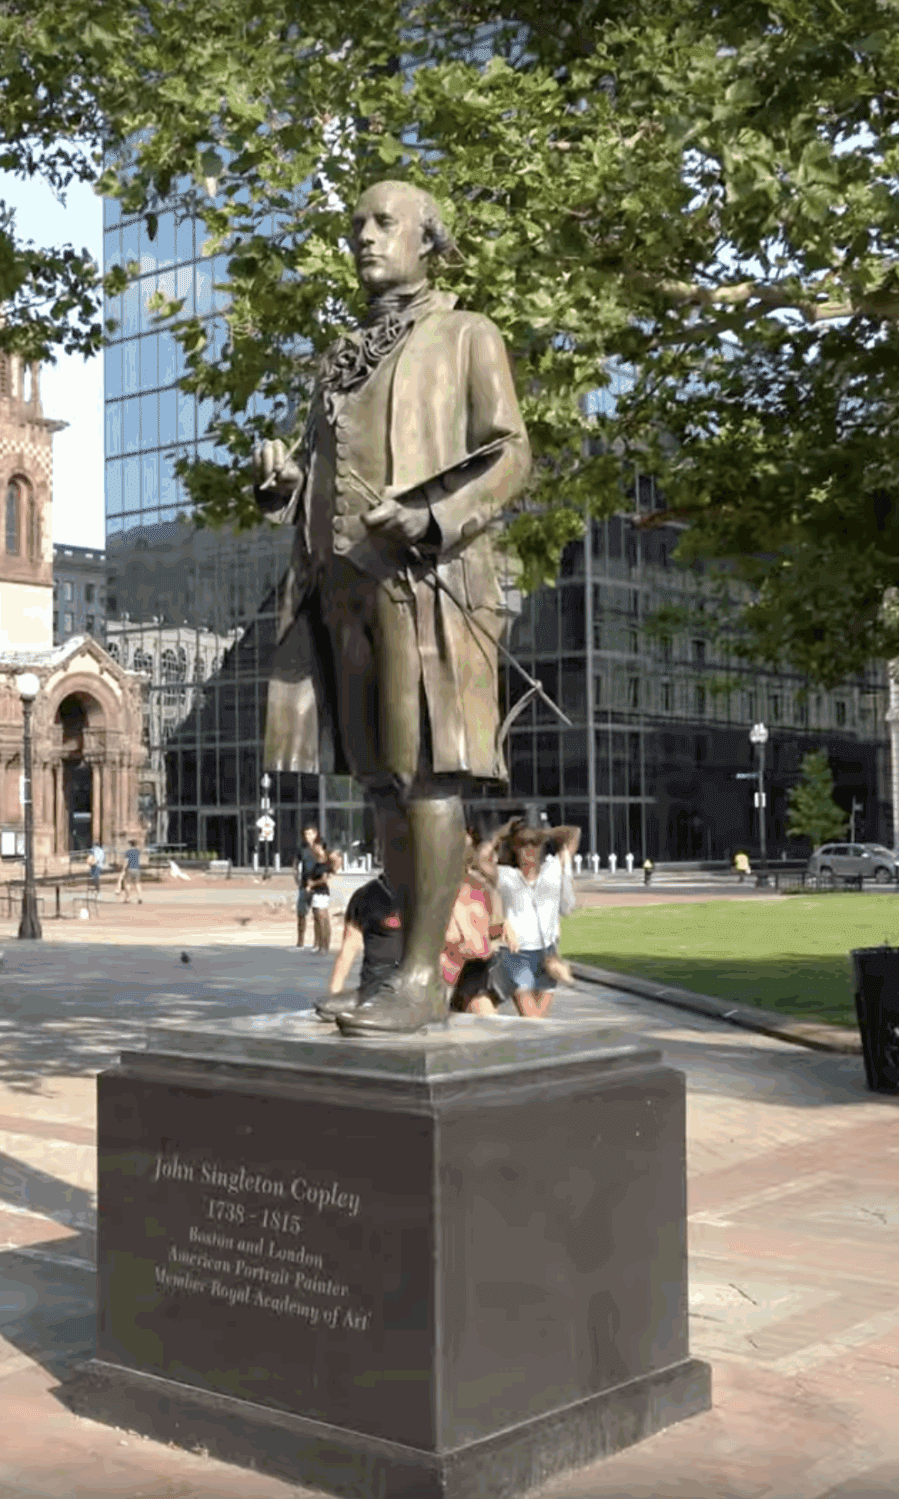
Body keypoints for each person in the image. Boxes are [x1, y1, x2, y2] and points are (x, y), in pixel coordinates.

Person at [258, 179, 531, 1036]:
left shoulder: (465, 335)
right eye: (356, 226)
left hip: (426, 584)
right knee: (380, 782)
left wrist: (433, 517)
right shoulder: (341, 355)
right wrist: (287, 481)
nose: (365, 238)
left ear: (427, 240)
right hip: (342, 593)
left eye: (384, 224)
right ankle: (395, 971)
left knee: (428, 775)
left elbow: (512, 452)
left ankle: (422, 974)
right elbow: (325, 471)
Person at [495, 821, 581, 1018]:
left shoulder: (553, 868)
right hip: (516, 955)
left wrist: (542, 833)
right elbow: (479, 858)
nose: (529, 849)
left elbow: (574, 831)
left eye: (534, 844)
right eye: (522, 844)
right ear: (514, 847)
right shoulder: (504, 875)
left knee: (540, 1021)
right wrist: (505, 832)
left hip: (547, 955)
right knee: (531, 1018)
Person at [445, 825, 504, 1015]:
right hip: (443, 971)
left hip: (474, 970)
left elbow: (492, 930)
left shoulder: (481, 889)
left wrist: (501, 930)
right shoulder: (433, 890)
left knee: (487, 1021)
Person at [327, 870, 406, 1006]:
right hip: (375, 986)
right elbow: (349, 948)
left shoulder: (429, 896)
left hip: (413, 986)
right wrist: (334, 993)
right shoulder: (365, 896)